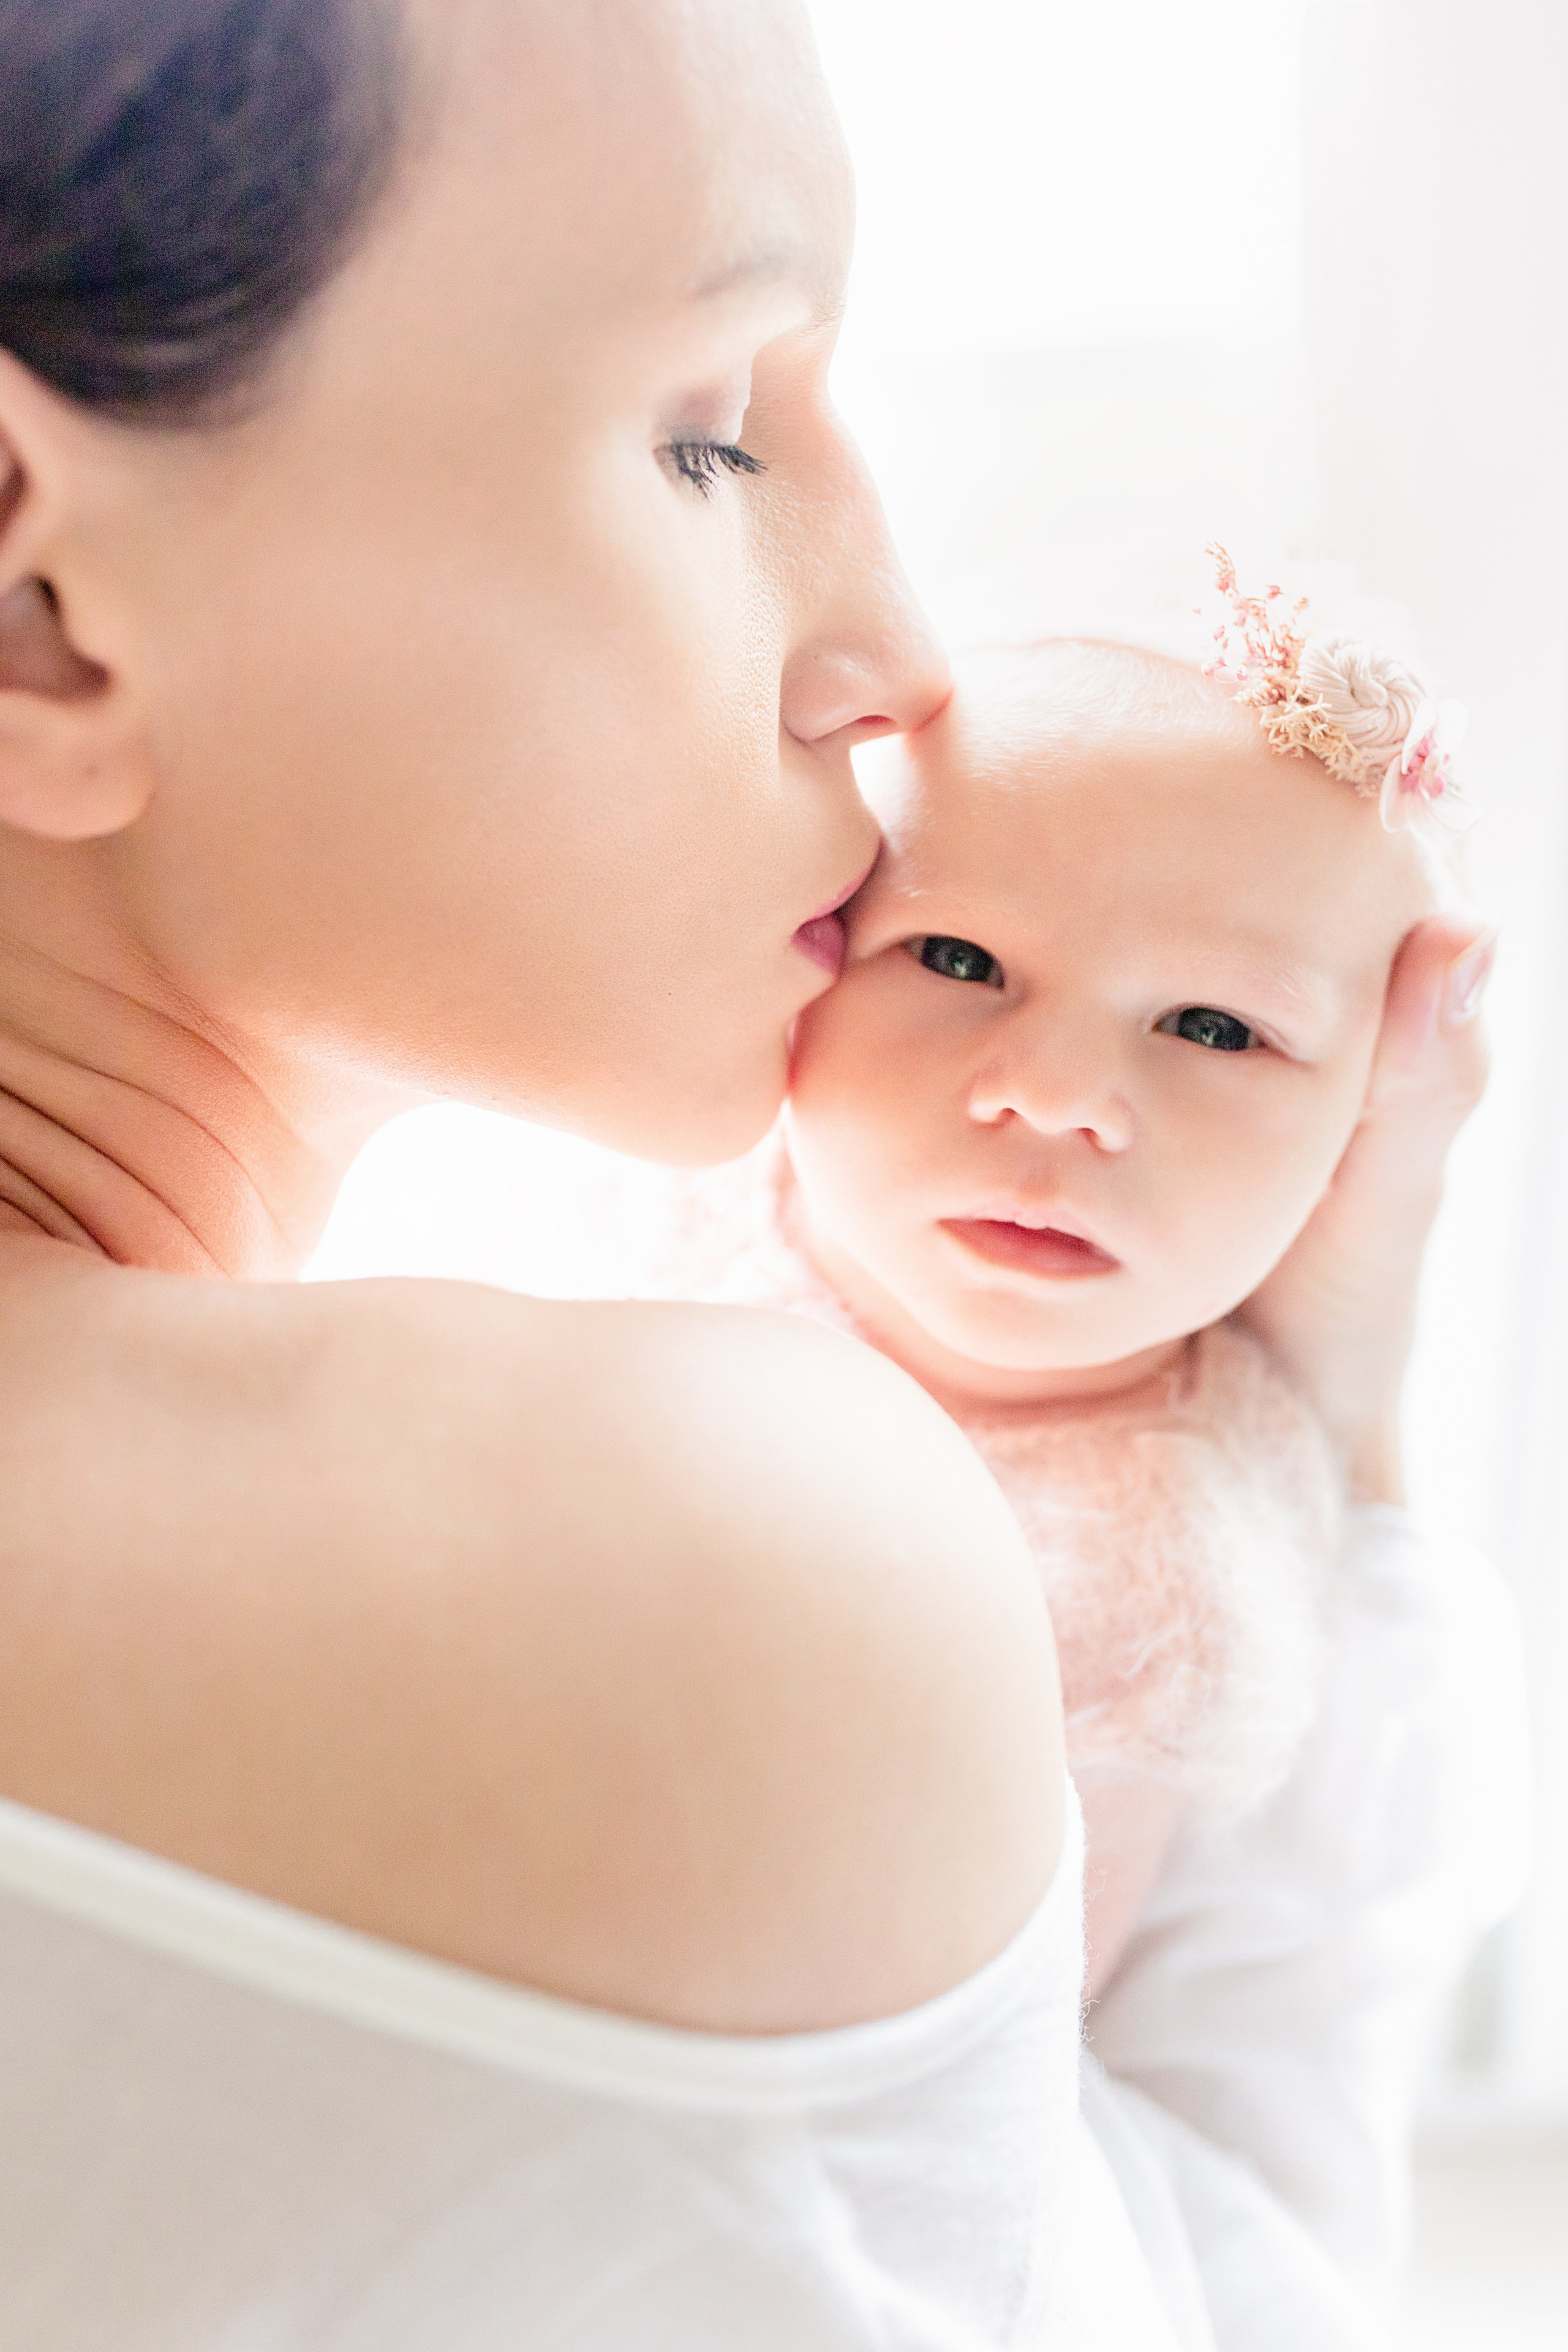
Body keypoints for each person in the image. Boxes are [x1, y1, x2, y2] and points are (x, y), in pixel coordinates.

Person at [0, 1, 1494, 2343]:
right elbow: (1221, 2283)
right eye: (707, 437)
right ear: (40, 606)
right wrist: (1343, 1431)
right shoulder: (724, 1558)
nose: (897, 663)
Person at [459, 598, 1527, 2345]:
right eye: (957, 962)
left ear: (1369, 1127)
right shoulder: (637, 1197)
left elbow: (997, 2078)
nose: (1059, 1096)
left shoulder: (1185, 1551)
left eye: (1215, 1029)